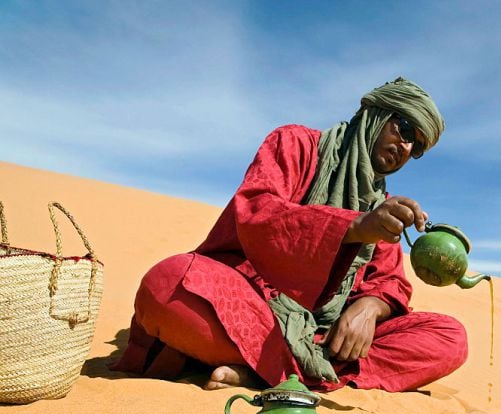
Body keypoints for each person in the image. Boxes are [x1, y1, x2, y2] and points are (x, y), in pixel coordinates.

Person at [110, 77, 468, 392]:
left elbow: (390, 282)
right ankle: (294, 374)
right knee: (167, 283)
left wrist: (369, 308)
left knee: (449, 338)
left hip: (321, 338)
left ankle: (268, 371)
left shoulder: (383, 208)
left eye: (417, 147)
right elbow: (256, 212)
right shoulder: (295, 145)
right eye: (404, 129)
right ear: (376, 114)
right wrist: (354, 227)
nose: (406, 147)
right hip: (249, 308)